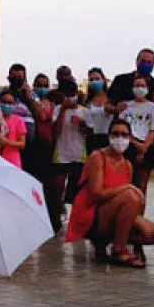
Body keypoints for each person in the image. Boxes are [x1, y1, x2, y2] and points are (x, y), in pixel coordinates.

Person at [66, 119, 154, 267]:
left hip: (114, 213)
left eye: (124, 135)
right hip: (92, 213)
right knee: (130, 196)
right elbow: (96, 194)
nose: (120, 138)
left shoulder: (128, 165)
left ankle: (111, 240)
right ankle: (118, 250)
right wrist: (127, 188)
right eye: (115, 134)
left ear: (130, 138)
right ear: (109, 136)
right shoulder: (97, 157)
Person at [49, 79, 87, 234]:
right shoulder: (58, 109)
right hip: (61, 154)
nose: (71, 98)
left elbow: (89, 132)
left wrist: (82, 123)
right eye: (68, 96)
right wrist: (63, 110)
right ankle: (56, 219)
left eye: (73, 95)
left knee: (78, 191)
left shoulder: (84, 111)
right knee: (57, 188)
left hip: (79, 155)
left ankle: (78, 222)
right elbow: (55, 132)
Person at [119, 75, 154, 198]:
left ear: (147, 88)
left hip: (147, 146)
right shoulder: (126, 106)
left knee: (141, 186)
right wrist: (136, 144)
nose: (139, 88)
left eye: (142, 85)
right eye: (137, 85)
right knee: (126, 184)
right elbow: (122, 127)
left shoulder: (153, 107)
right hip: (128, 145)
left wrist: (144, 147)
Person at [6, 63, 38, 170]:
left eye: (20, 77)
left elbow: (38, 114)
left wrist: (28, 97)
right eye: (14, 77)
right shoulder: (3, 93)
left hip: (27, 134)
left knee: (26, 165)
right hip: (9, 131)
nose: (17, 80)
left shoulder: (31, 94)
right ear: (9, 77)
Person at [27, 73, 55, 184]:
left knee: (46, 180)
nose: (42, 88)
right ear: (34, 86)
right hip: (34, 144)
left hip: (48, 145)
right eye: (39, 85)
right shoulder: (30, 101)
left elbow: (45, 117)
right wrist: (33, 99)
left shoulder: (52, 103)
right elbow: (41, 116)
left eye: (45, 85)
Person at [83, 67, 112, 153]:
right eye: (91, 79)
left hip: (108, 138)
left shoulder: (111, 98)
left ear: (103, 80)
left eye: (97, 79)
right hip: (92, 139)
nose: (94, 81)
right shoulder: (87, 101)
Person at [0, 91, 26, 168]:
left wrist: (7, 142)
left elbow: (22, 144)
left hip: (13, 162)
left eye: (10, 103)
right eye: (4, 102)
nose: (6, 105)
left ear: (14, 104)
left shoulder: (19, 121)